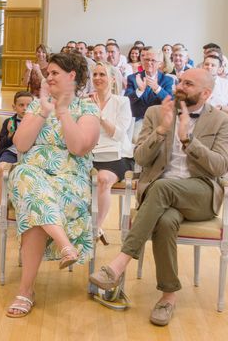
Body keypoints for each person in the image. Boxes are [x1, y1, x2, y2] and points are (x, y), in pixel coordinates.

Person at [90, 69, 228, 326]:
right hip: (160, 194)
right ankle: (168, 297)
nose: (180, 86)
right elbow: (140, 158)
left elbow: (220, 166)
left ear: (206, 93)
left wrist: (188, 138)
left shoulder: (221, 120)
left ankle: (119, 265)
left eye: (189, 83)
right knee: (165, 221)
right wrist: (164, 129)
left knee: (163, 188)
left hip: (200, 193)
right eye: (180, 81)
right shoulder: (156, 113)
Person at [5, 52, 99, 317]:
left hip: (70, 180)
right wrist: (45, 111)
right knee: (24, 175)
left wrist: (63, 112)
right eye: (49, 73)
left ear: (72, 76)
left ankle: (25, 291)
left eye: (55, 72)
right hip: (33, 173)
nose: (49, 77)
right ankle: (64, 244)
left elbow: (78, 147)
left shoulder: (88, 108)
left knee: (35, 210)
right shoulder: (38, 106)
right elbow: (21, 145)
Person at [90, 62, 133, 244]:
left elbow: (118, 134)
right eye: (95, 74)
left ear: (112, 79)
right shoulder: (86, 101)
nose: (98, 78)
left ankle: (95, 227)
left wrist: (100, 116)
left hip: (117, 155)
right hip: (91, 152)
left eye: (102, 74)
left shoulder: (122, 102)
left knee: (103, 179)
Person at [0, 90, 33, 225]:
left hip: (29, 154)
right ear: (14, 107)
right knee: (2, 168)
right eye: (21, 105)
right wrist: (10, 134)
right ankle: (0, 207)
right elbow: (2, 143)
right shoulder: (9, 122)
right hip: (11, 152)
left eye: (28, 105)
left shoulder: (36, 122)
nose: (25, 108)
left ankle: (27, 211)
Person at [125, 47, 174, 140]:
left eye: (153, 60)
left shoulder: (167, 80)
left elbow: (171, 101)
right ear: (142, 61)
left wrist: (157, 88)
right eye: (146, 60)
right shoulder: (133, 78)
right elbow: (126, 101)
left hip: (159, 121)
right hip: (138, 121)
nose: (149, 63)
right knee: (137, 139)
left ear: (160, 64)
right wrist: (139, 90)